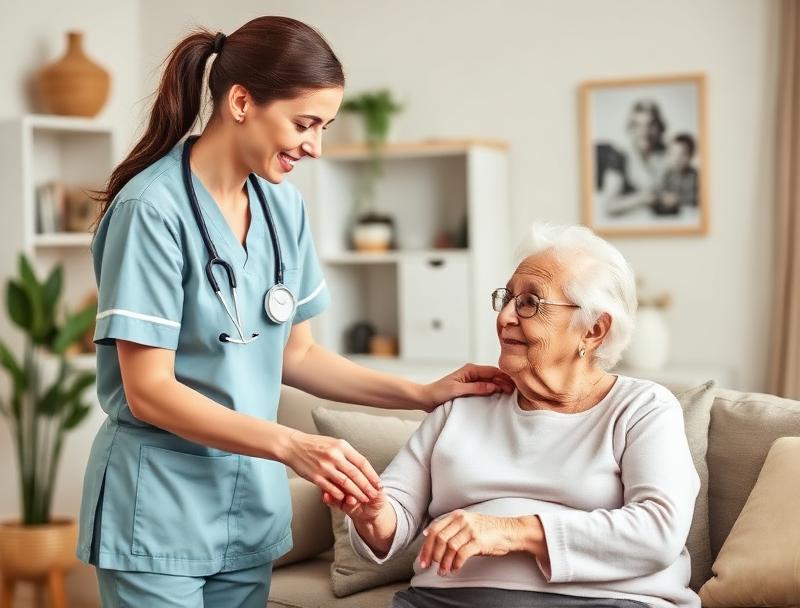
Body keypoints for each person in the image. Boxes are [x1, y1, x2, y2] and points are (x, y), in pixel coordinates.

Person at [76, 16, 512, 608]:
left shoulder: (284, 209)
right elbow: (149, 390)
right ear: (240, 102)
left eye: (324, 126)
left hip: (247, 511)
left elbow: (296, 352)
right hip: (160, 509)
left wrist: (422, 393)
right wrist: (291, 445)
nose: (316, 146)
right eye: (305, 123)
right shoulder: (151, 211)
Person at [327, 223, 701, 608]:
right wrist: (371, 513)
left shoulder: (642, 408)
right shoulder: (463, 406)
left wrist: (511, 532)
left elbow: (658, 530)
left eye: (529, 302)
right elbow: (393, 519)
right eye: (507, 298)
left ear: (592, 330)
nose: (505, 316)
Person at [597, 100, 670, 218]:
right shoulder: (619, 156)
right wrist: (642, 199)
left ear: (660, 128)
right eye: (637, 125)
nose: (644, 132)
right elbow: (609, 206)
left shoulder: (670, 153)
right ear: (630, 128)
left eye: (651, 125)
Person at [653, 133, 699, 215]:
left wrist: (679, 199)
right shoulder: (667, 174)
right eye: (673, 154)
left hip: (689, 212)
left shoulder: (695, 176)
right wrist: (664, 196)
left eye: (683, 154)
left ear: (691, 155)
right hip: (670, 213)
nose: (677, 159)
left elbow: (698, 197)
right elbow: (658, 190)